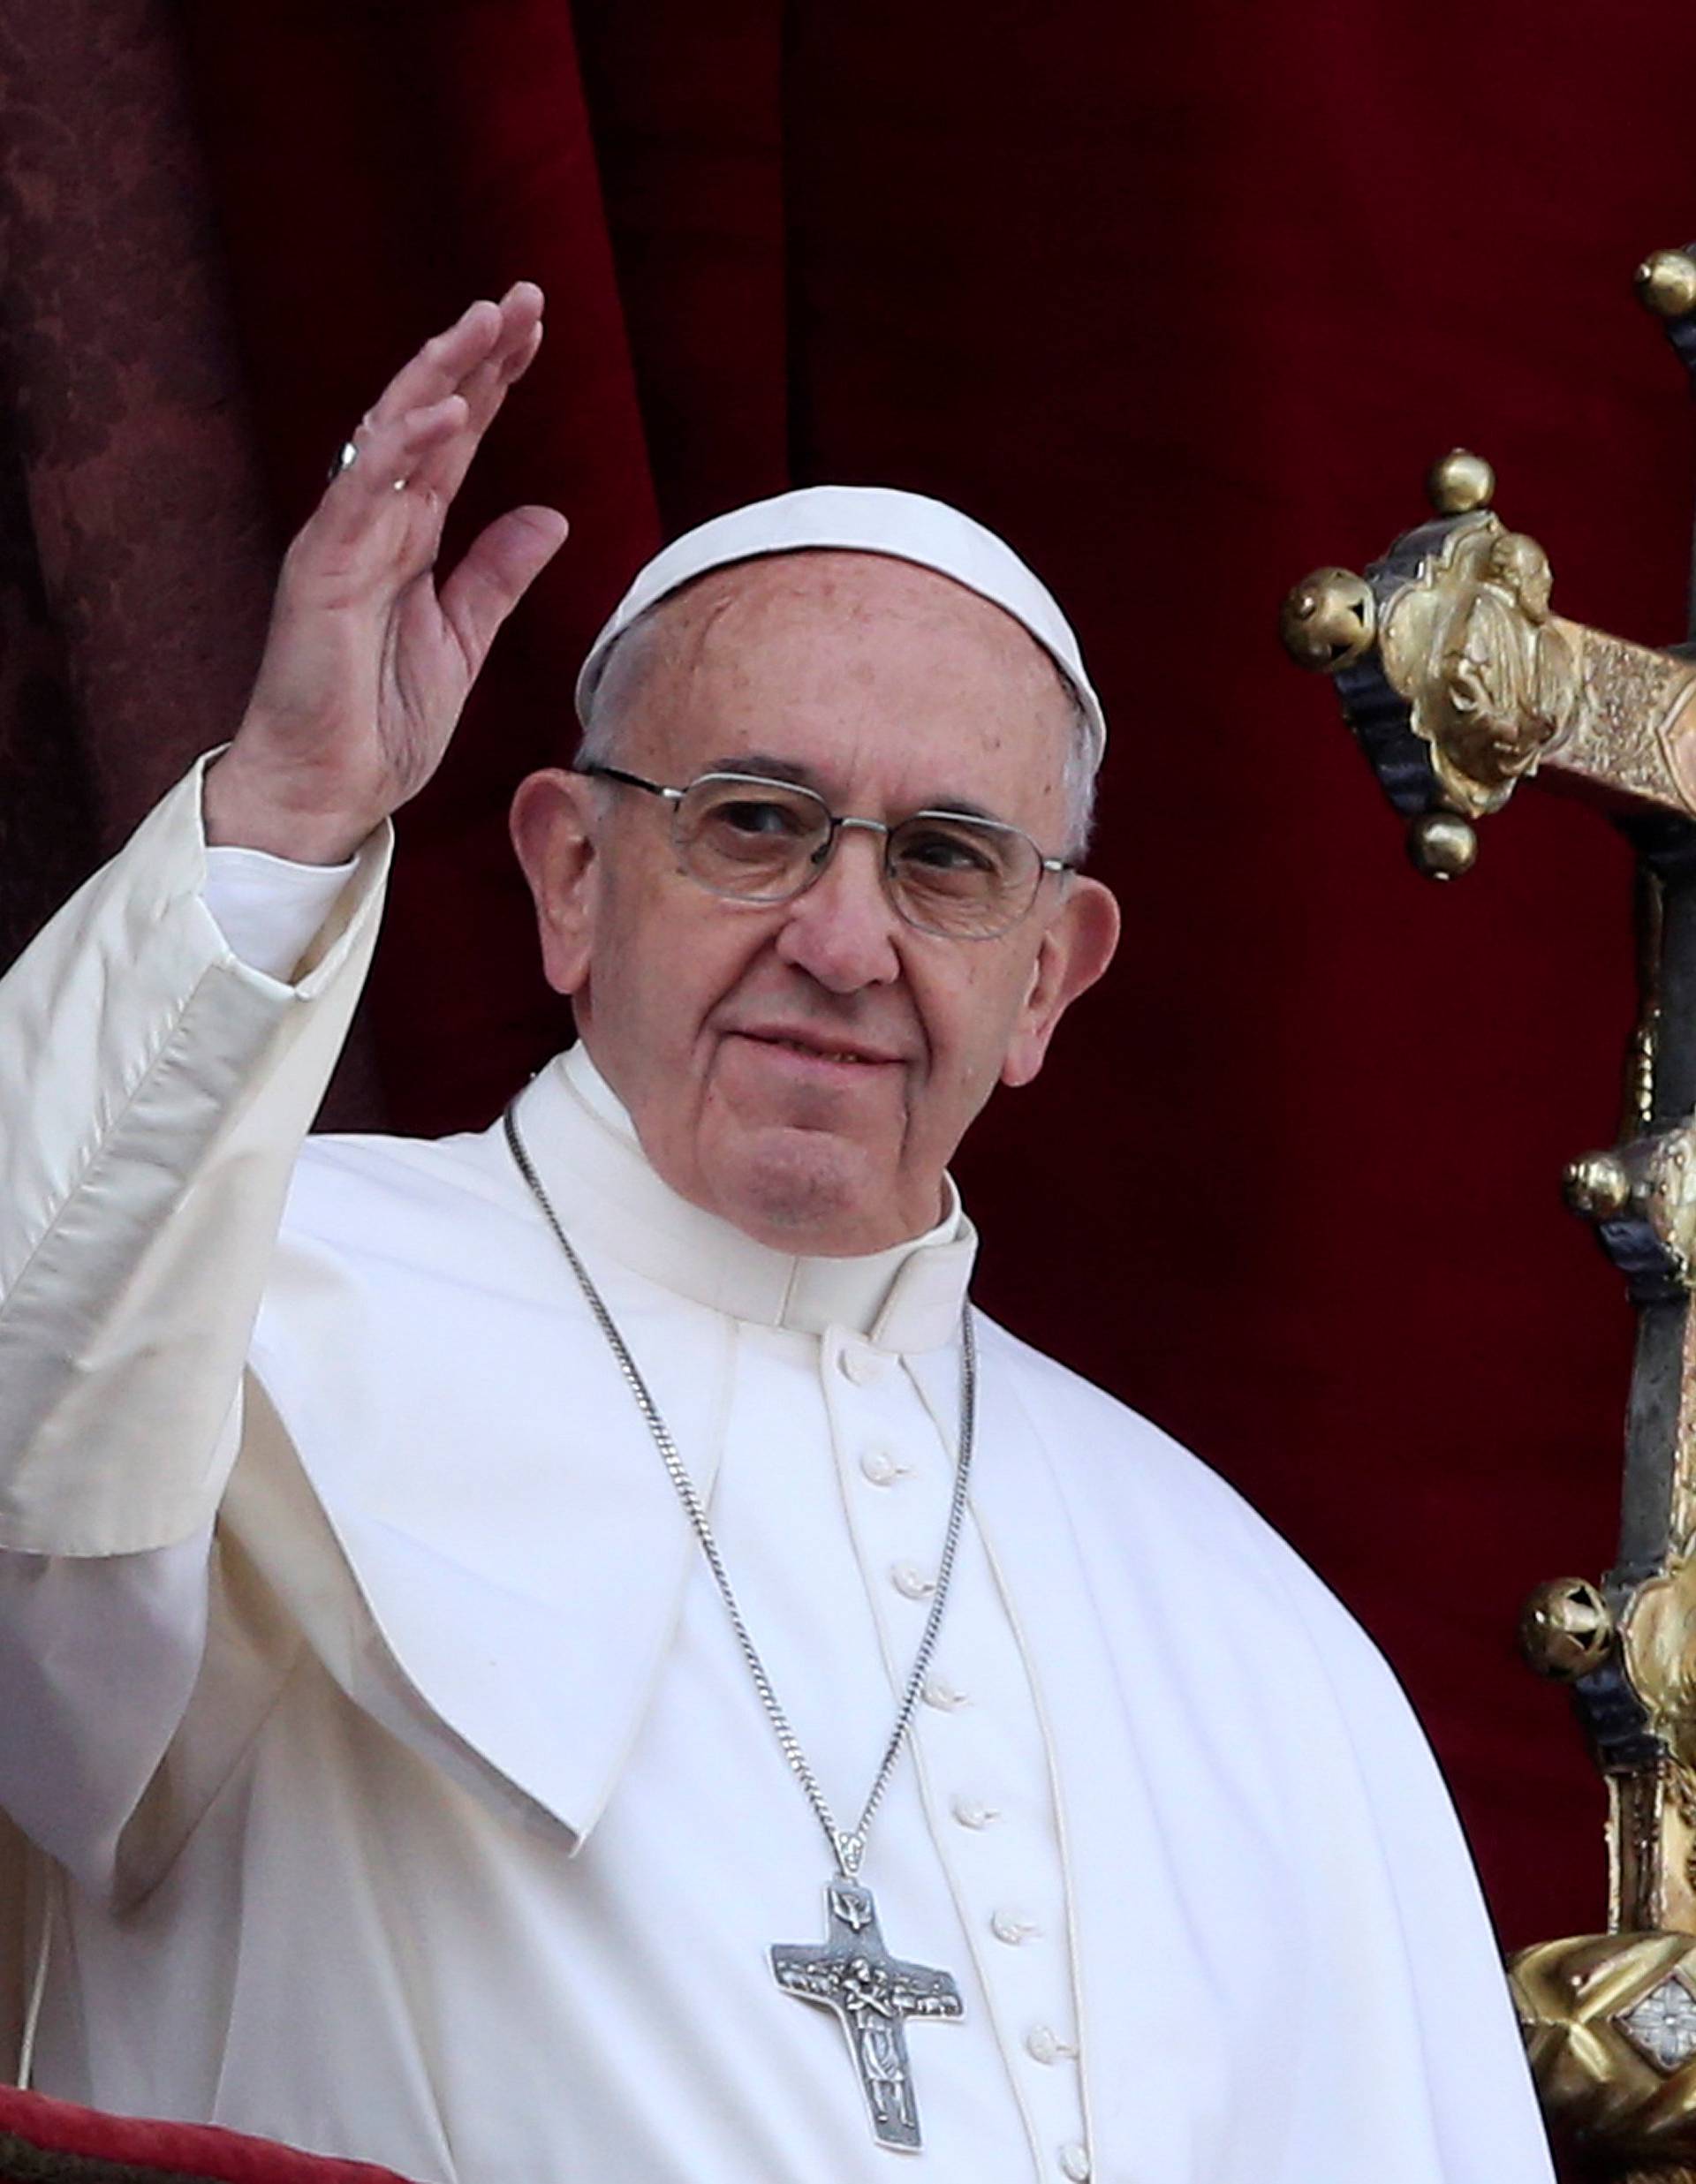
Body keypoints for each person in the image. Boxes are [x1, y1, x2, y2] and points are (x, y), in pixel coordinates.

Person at [0, 283, 1551, 2184]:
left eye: (948, 861)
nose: (843, 940)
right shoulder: (232, 1315)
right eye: (752, 822)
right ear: (571, 875)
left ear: (1049, 978)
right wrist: (289, 815)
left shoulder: (1256, 1636)